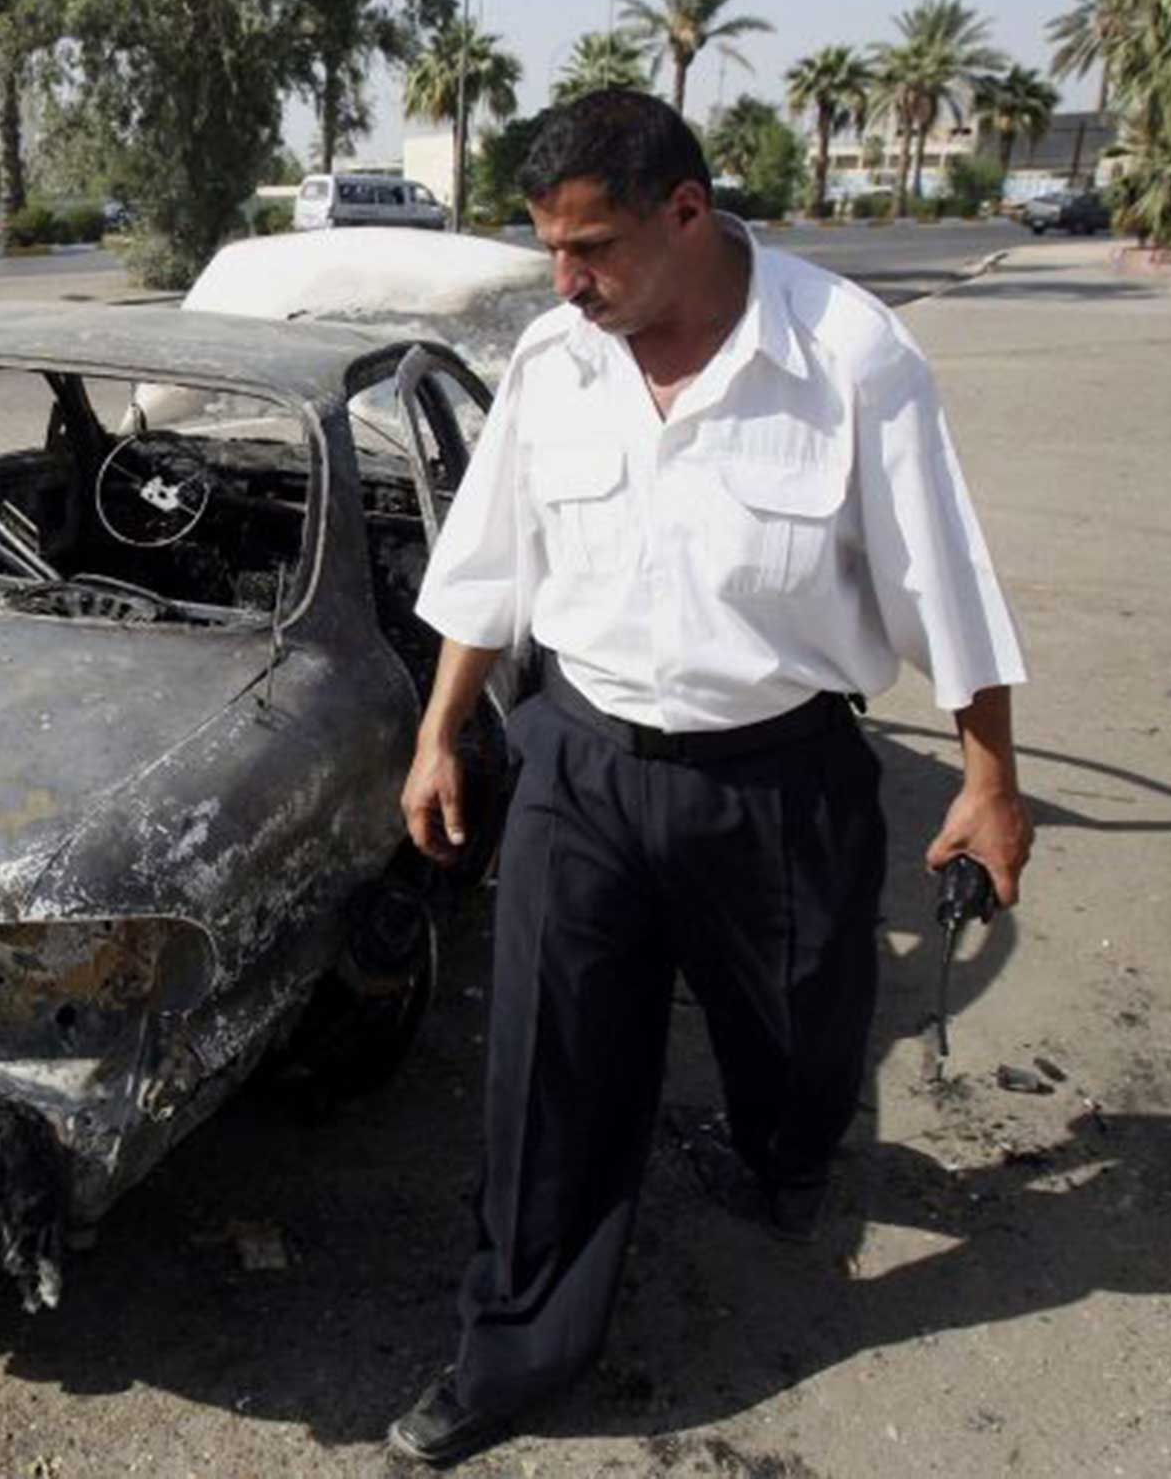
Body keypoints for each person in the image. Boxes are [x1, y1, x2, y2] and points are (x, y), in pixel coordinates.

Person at [386, 90, 1032, 1466]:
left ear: (687, 212)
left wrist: (991, 780)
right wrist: (443, 730)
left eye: (594, 248)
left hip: (779, 778)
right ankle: (512, 1353)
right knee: (546, 1076)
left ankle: (791, 1160)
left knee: (802, 1033)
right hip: (584, 762)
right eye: (551, 250)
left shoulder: (851, 359)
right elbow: (488, 569)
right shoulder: (557, 363)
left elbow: (946, 591)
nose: (566, 282)